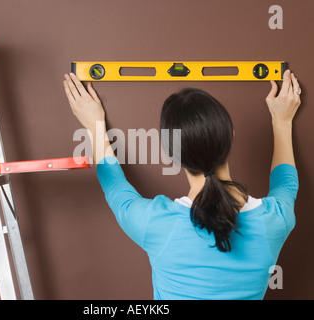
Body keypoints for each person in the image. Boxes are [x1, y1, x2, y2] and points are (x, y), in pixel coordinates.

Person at [63, 70, 301, 300]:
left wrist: (94, 124)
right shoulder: (275, 220)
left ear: (171, 155)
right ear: (231, 136)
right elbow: (287, 183)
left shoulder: (155, 224)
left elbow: (113, 185)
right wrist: (282, 120)